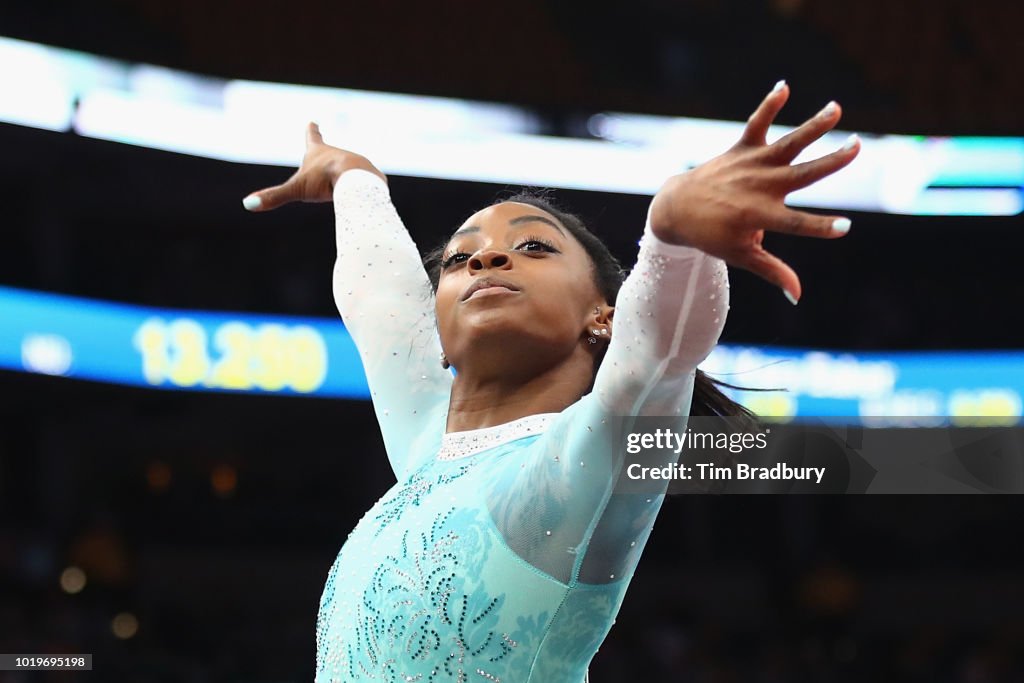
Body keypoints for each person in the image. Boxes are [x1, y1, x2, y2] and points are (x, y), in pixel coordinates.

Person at [243, 80, 859, 682]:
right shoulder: (428, 450)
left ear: (604, 316)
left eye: (534, 246)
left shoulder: (579, 459)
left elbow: (657, 356)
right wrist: (354, 179)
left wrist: (679, 237)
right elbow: (381, 298)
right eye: (459, 258)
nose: (484, 259)